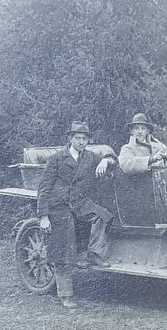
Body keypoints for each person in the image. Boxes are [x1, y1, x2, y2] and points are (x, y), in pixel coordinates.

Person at [37, 121, 116, 308]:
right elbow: (44, 187)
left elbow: (113, 157)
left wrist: (106, 160)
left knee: (103, 216)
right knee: (64, 244)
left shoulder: (90, 157)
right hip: (59, 205)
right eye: (77, 138)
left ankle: (94, 253)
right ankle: (66, 294)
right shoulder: (57, 159)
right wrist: (43, 216)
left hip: (80, 203)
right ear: (70, 138)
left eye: (84, 139)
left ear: (88, 140)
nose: (81, 142)